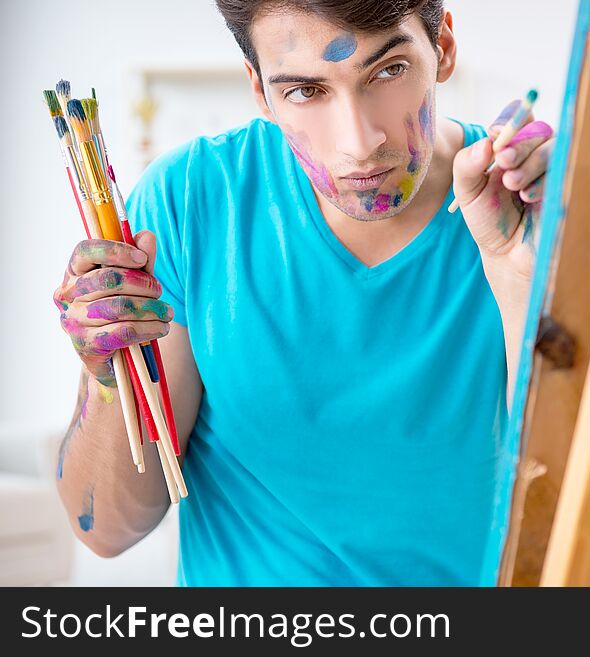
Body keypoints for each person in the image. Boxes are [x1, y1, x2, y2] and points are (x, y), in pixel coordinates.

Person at [52, 0, 555, 585]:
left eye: (387, 72)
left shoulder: (526, 207)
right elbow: (107, 531)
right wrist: (107, 378)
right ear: (259, 90)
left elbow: (580, 511)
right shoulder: (189, 202)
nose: (359, 143)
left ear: (441, 46)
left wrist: (520, 278)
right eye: (305, 92)